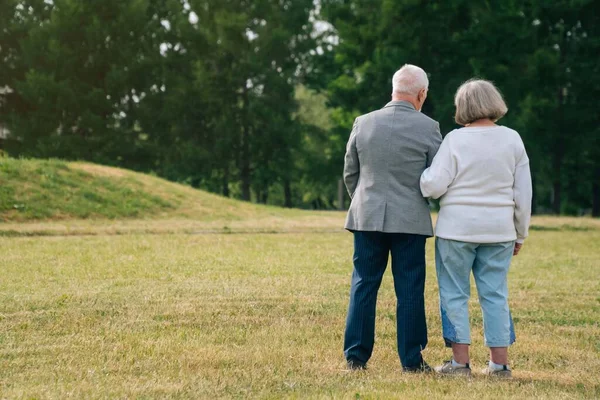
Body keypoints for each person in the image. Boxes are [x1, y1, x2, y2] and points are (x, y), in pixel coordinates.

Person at [420, 79, 532, 378]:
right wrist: (520, 233)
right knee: (495, 294)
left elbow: (434, 185)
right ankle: (500, 365)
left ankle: (459, 363)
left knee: (454, 294)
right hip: (499, 231)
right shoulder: (513, 140)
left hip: (456, 231)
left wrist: (422, 176)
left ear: (463, 107)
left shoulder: (455, 140)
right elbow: (523, 194)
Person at [343, 64, 442, 372]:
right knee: (410, 288)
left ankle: (356, 357)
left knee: (364, 284)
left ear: (393, 90)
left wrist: (363, 201)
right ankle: (412, 361)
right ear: (422, 93)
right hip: (410, 220)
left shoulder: (364, 122)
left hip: (367, 216)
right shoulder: (430, 128)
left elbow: (350, 172)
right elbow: (437, 177)